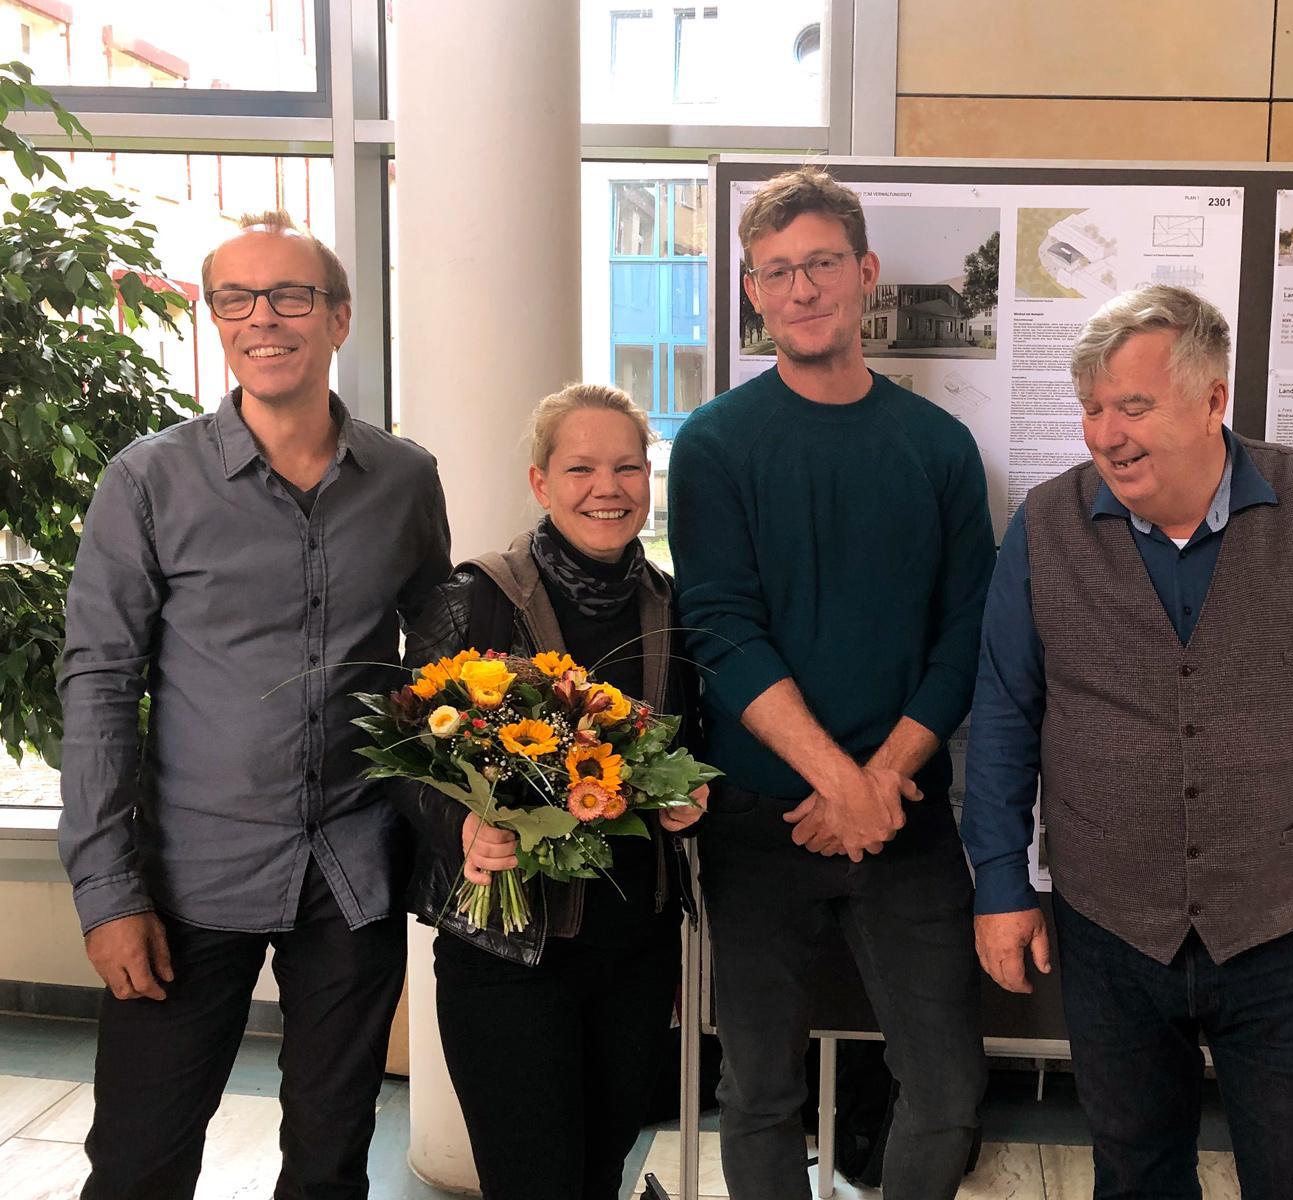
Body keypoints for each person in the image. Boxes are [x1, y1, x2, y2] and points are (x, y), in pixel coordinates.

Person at [960, 283, 1293, 1198]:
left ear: (1214, 399)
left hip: (1285, 931)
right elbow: (1006, 714)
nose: (1107, 435)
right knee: (1136, 1178)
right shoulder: (1044, 529)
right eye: (1093, 409)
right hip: (1108, 931)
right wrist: (999, 884)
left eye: (1133, 406)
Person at [57, 209, 451, 1199]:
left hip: (353, 869)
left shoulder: (404, 479)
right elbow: (100, 684)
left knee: (329, 1158)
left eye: (291, 295)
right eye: (237, 298)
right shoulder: (147, 481)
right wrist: (108, 893)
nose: (263, 318)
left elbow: (444, 671)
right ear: (216, 319)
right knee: (139, 1160)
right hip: (186, 877)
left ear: (339, 318)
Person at [668, 166, 995, 1200]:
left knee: (944, 1086)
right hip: (760, 824)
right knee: (758, 1088)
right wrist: (836, 782)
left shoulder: (939, 448)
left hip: (907, 821)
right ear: (753, 294)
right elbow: (721, 628)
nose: (800, 288)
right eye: (775, 272)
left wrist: (879, 781)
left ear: (865, 273)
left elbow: (966, 636)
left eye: (818, 264)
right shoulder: (714, 444)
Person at [400, 382, 706, 1200]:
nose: (607, 489)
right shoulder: (473, 601)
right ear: (540, 483)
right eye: (580, 469)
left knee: (598, 1176)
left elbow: (687, 746)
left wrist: (687, 800)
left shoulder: (669, 609)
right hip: (509, 962)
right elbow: (403, 762)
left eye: (627, 468)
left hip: (635, 959)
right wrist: (461, 825)